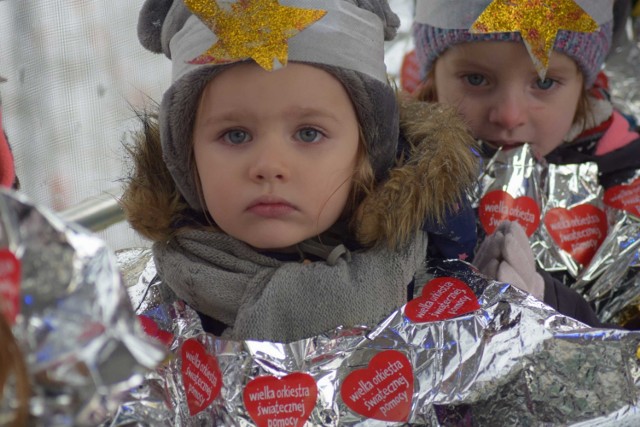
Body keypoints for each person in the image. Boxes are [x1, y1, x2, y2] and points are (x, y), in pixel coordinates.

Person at [121, 0, 479, 343]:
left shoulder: (440, 277)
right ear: (186, 158)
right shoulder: (150, 318)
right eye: (235, 135)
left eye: (309, 134)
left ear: (366, 152)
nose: (269, 167)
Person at [410, 0, 640, 327]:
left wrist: (549, 304)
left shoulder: (626, 186)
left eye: (544, 82)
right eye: (475, 79)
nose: (509, 114)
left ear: (583, 87)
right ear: (432, 77)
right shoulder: (396, 172)